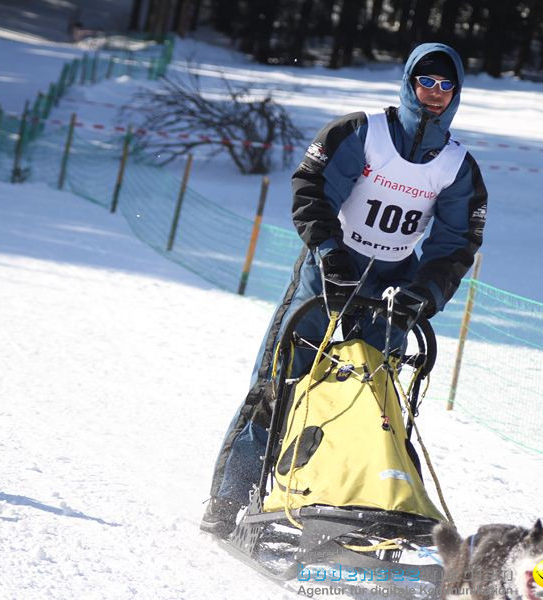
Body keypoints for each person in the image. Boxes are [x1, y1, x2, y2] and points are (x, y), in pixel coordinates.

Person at [200, 43, 488, 537]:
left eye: (446, 85)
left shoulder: (458, 167)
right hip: (328, 270)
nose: (435, 93)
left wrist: (425, 293)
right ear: (409, 82)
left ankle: (357, 503)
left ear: (456, 94)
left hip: (394, 284)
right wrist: (328, 253)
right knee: (280, 383)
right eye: (427, 81)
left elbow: (456, 242)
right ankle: (230, 497)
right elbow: (312, 187)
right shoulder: (362, 131)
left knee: (374, 401)